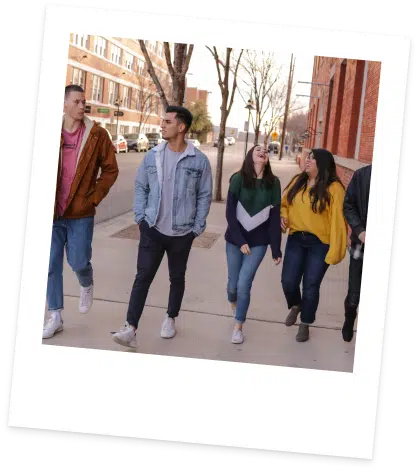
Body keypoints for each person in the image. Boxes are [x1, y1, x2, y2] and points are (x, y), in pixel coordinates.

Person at [112, 106, 213, 348]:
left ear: (181, 127)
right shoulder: (153, 155)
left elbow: (204, 195)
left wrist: (196, 228)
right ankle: (130, 328)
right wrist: (140, 218)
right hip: (153, 228)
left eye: (167, 121)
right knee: (142, 276)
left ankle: (170, 317)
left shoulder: (198, 161)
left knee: (177, 278)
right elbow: (141, 187)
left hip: (182, 233)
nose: (162, 124)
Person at [43, 85, 119, 339]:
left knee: (78, 261)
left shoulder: (97, 135)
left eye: (84, 101)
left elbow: (110, 170)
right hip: (52, 213)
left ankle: (86, 283)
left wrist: (93, 198)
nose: (81, 105)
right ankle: (55, 316)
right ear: (64, 104)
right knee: (51, 265)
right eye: (76, 101)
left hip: (80, 213)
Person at [280, 148, 347, 342]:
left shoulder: (334, 188)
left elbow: (338, 222)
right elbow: (284, 204)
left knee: (310, 285)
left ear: (323, 164)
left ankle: (305, 323)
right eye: (307, 157)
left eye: (312, 158)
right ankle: (296, 305)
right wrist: (283, 217)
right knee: (288, 281)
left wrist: (336, 250)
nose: (307, 160)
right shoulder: (297, 181)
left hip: (320, 243)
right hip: (296, 239)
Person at [225, 145, 282, 344]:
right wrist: (240, 241)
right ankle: (235, 306)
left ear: (267, 158)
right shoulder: (238, 178)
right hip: (234, 239)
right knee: (232, 287)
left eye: (266, 150)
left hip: (258, 242)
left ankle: (239, 325)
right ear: (250, 155)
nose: (262, 151)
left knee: (243, 284)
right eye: (258, 149)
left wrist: (276, 248)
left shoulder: (274, 183)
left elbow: (275, 218)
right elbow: (230, 214)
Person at [342, 164, 372, 342]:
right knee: (354, 293)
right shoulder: (361, 175)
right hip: (361, 244)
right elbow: (349, 205)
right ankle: (349, 318)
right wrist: (360, 231)